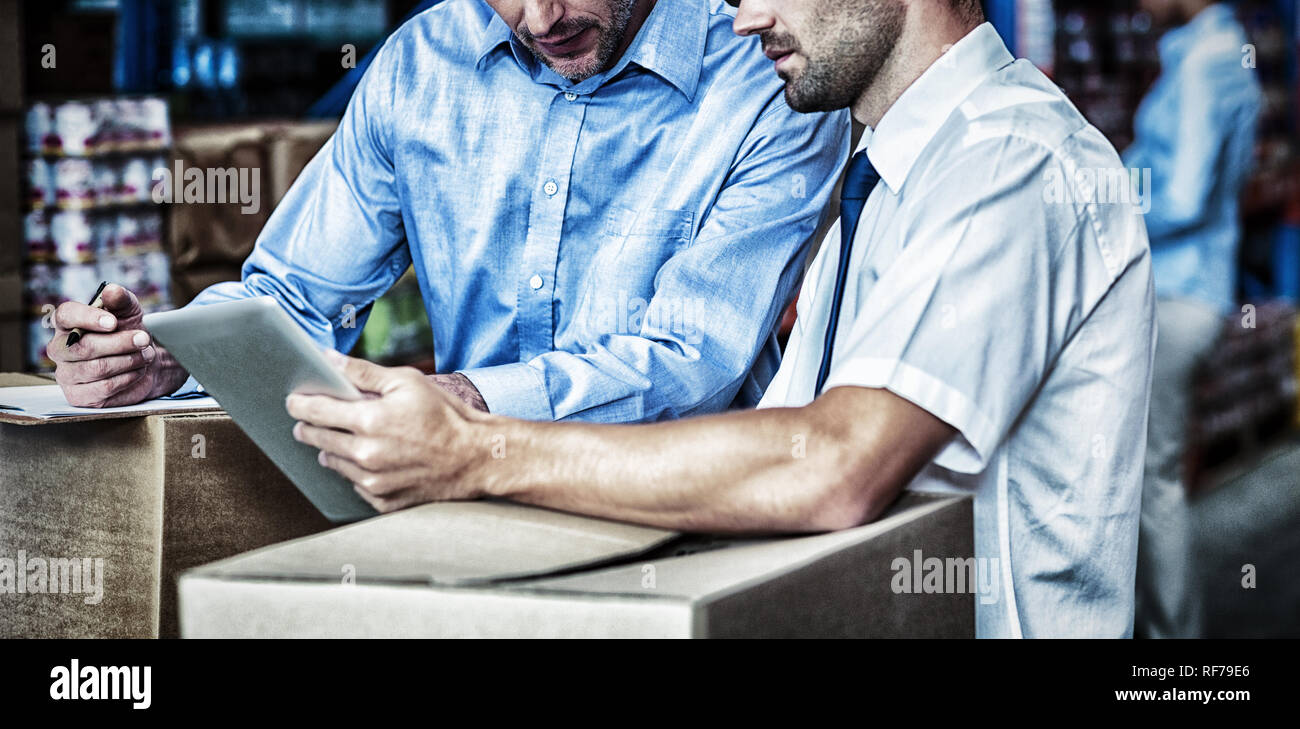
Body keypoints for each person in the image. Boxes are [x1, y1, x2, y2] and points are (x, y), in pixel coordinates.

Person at [286, 0, 1157, 638]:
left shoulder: (1008, 160)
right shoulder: (892, 175)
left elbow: (833, 465)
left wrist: (476, 450)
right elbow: (789, 438)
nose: (745, 19)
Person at [47, 0, 849, 423]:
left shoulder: (768, 81)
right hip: (459, 507)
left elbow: (691, 359)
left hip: (687, 521)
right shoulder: (419, 69)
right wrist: (168, 357)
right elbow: (293, 300)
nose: (541, 18)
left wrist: (467, 400)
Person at [1123, 0, 1262, 639]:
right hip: (1200, 286)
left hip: (1177, 294)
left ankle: (1175, 645)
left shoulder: (1207, 61)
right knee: (1155, 476)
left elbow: (1180, 194)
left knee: (1153, 482)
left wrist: (1099, 194)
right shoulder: (1222, 50)